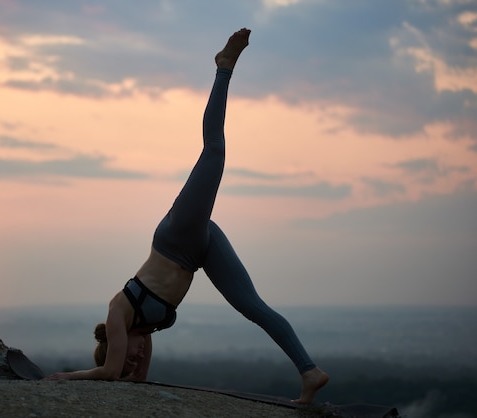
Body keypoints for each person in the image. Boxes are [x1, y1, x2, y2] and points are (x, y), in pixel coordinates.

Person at [45, 28, 329, 404]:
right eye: (134, 361)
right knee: (253, 307)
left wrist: (66, 377)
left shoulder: (117, 312)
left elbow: (110, 372)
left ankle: (223, 67)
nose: (135, 360)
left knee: (214, 152)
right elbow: (132, 379)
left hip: (175, 238)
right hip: (199, 252)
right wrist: (133, 377)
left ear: (112, 344)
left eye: (128, 357)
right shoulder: (142, 334)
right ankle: (310, 372)